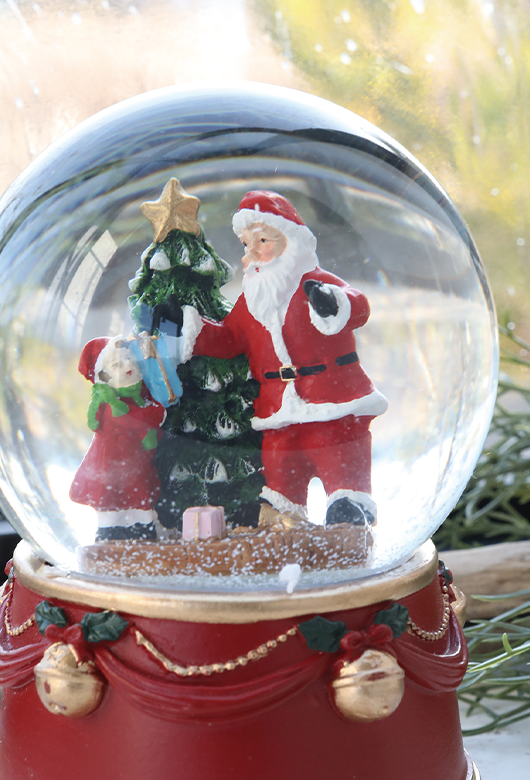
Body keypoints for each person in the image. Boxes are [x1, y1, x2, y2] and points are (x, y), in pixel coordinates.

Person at [166, 190, 387, 527]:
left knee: (338, 453)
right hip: (278, 410)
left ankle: (348, 508)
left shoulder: (315, 284)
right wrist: (188, 326)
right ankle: (283, 516)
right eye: (246, 243)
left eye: (263, 240)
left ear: (291, 241)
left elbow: (357, 306)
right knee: (280, 464)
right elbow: (229, 338)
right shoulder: (254, 299)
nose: (252, 252)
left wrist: (331, 304)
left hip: (330, 400)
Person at [69, 336, 165, 540]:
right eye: (117, 364)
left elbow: (149, 413)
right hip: (111, 465)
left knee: (137, 492)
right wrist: (156, 415)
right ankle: (112, 528)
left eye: (129, 359)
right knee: (112, 496)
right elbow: (136, 419)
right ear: (104, 376)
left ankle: (141, 525)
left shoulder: (140, 396)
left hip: (134, 463)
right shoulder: (109, 405)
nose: (128, 365)